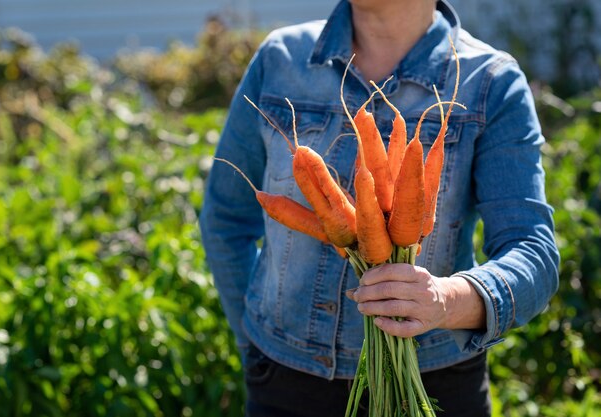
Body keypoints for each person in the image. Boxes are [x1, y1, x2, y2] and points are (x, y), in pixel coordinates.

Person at [199, 0, 560, 416]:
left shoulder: (491, 80)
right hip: (286, 384)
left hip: (431, 384)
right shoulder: (280, 59)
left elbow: (533, 252)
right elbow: (225, 218)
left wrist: (445, 299)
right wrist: (255, 345)